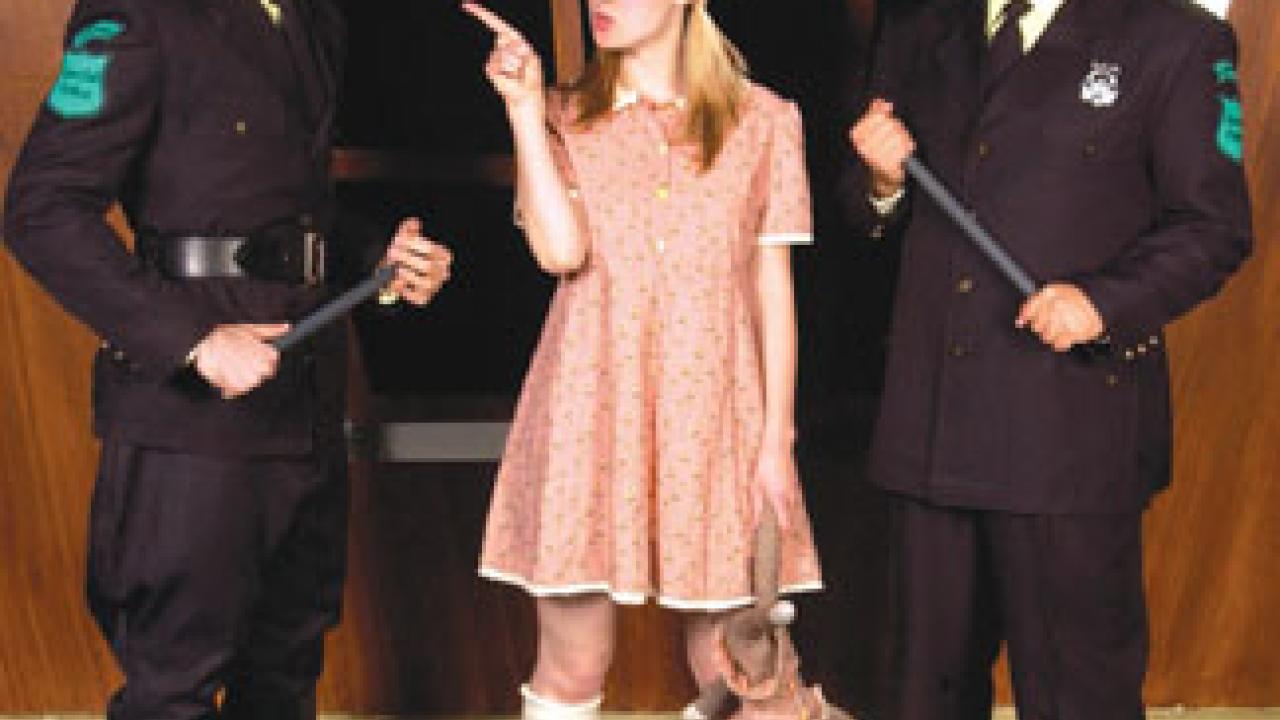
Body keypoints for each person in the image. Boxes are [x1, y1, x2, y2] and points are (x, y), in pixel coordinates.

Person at [2, 0, 452, 717]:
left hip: (302, 402)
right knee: (173, 686)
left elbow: (283, 209)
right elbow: (41, 208)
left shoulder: (313, 19)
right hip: (192, 422)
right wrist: (193, 341)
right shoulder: (138, 15)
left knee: (286, 670)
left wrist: (377, 258)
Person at [847, 0, 1253, 718]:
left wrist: (1104, 302)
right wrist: (880, 184)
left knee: (1079, 701)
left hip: (1065, 429)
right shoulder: (919, 24)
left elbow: (1215, 226)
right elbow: (868, 210)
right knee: (921, 698)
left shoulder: (1180, 36)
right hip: (932, 424)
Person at [463, 0, 824, 718]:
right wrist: (523, 110)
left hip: (717, 417)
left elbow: (770, 289)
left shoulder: (765, 121)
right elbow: (560, 251)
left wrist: (775, 440)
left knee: (734, 669)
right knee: (573, 664)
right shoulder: (565, 114)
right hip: (586, 412)